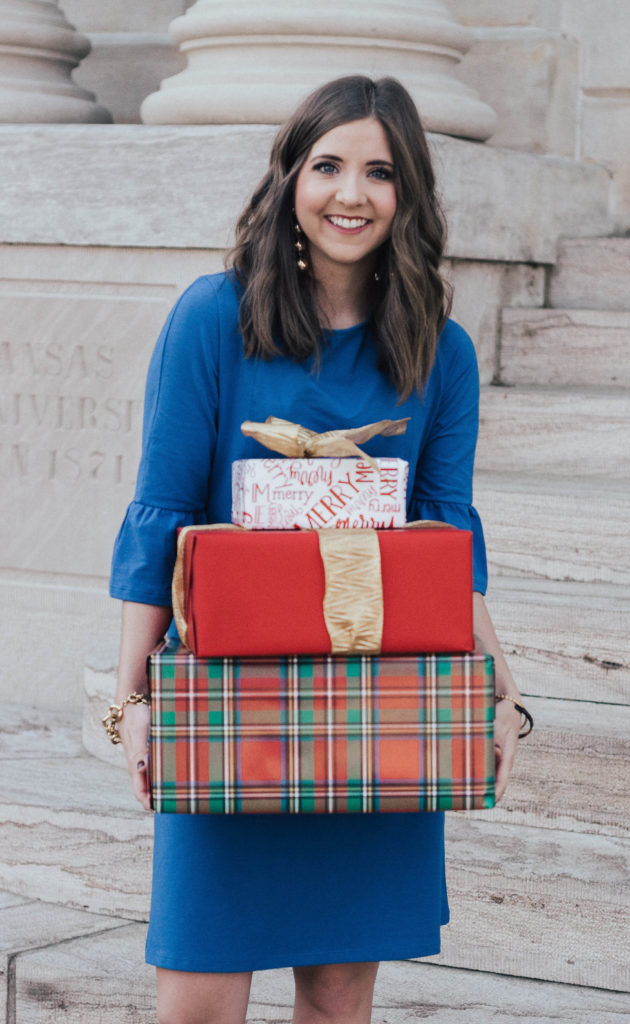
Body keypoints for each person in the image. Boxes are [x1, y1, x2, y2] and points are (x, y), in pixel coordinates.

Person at [108, 74, 528, 1024]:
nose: (351, 193)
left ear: (409, 193)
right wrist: (131, 700)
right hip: (228, 702)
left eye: (380, 172)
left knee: (339, 1002)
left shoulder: (440, 351)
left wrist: (499, 690)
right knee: (197, 1002)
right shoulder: (212, 318)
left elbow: (447, 543)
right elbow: (161, 515)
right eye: (328, 165)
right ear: (290, 177)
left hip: (381, 706)